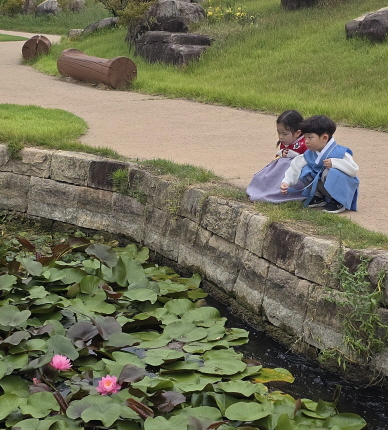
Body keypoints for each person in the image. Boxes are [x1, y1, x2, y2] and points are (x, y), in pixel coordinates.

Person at [280, 115, 359, 214]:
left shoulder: (341, 152)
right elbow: (295, 166)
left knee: (331, 171)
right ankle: (318, 197)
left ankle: (339, 201)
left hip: (341, 189)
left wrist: (335, 163)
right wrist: (286, 182)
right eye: (305, 137)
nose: (306, 141)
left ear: (324, 138)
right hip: (323, 186)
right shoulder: (309, 153)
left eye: (310, 137)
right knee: (306, 169)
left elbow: (354, 170)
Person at [246, 110, 307, 203]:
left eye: (285, 134)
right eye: (279, 133)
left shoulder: (305, 143)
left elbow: (308, 159)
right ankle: (263, 190)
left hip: (295, 173)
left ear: (298, 133)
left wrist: (294, 156)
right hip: (280, 171)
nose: (281, 137)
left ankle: (277, 193)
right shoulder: (284, 143)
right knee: (264, 176)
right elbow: (277, 160)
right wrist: (281, 154)